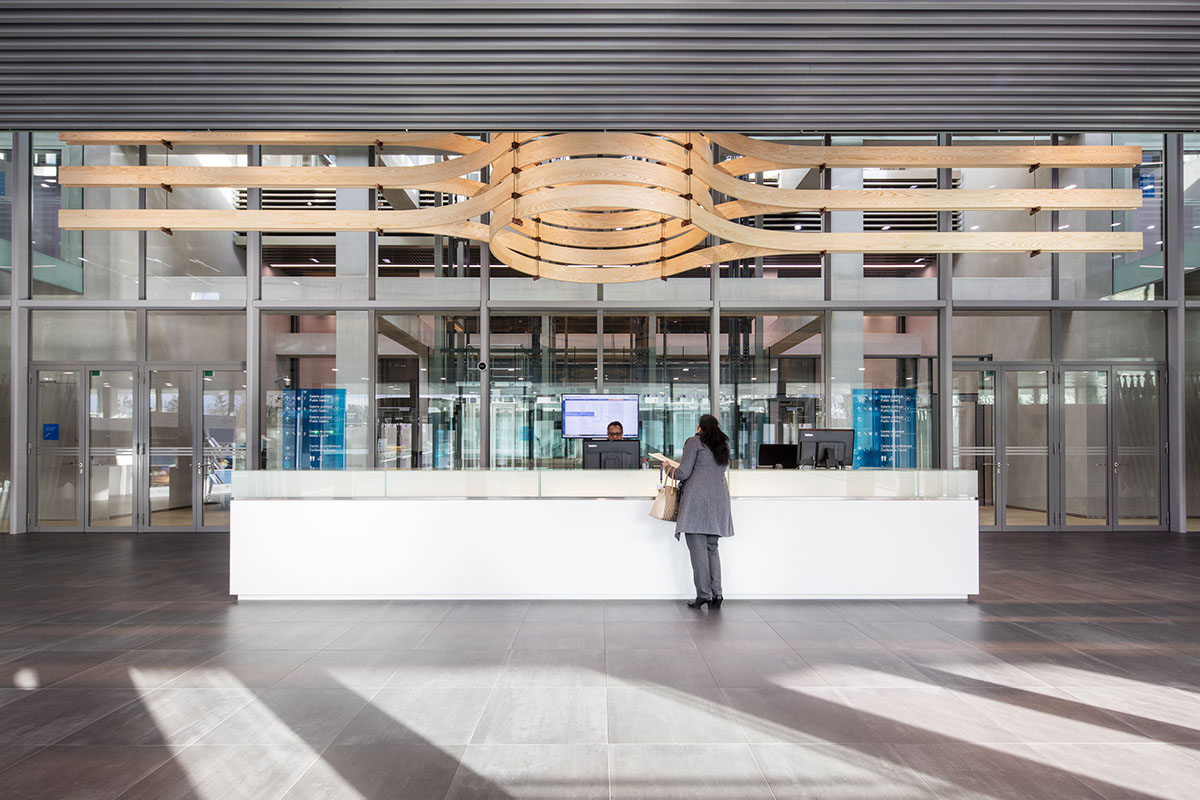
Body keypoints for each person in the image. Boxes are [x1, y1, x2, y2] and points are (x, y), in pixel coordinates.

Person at [667, 414, 734, 609]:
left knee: (698, 551)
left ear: (699, 427)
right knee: (712, 548)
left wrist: (667, 467)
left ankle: (703, 594)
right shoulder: (723, 445)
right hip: (718, 501)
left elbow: (683, 473)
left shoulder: (694, 442)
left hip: (697, 501)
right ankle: (717, 593)